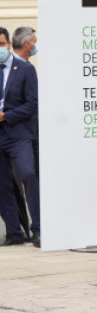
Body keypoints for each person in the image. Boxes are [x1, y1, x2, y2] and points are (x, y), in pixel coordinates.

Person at [0, 27, 39, 247]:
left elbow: (32, 104)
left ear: (8, 44)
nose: (0, 48)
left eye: (2, 43)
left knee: (28, 174)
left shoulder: (24, 69)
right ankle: (14, 233)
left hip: (18, 134)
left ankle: (38, 229)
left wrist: (6, 116)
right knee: (3, 184)